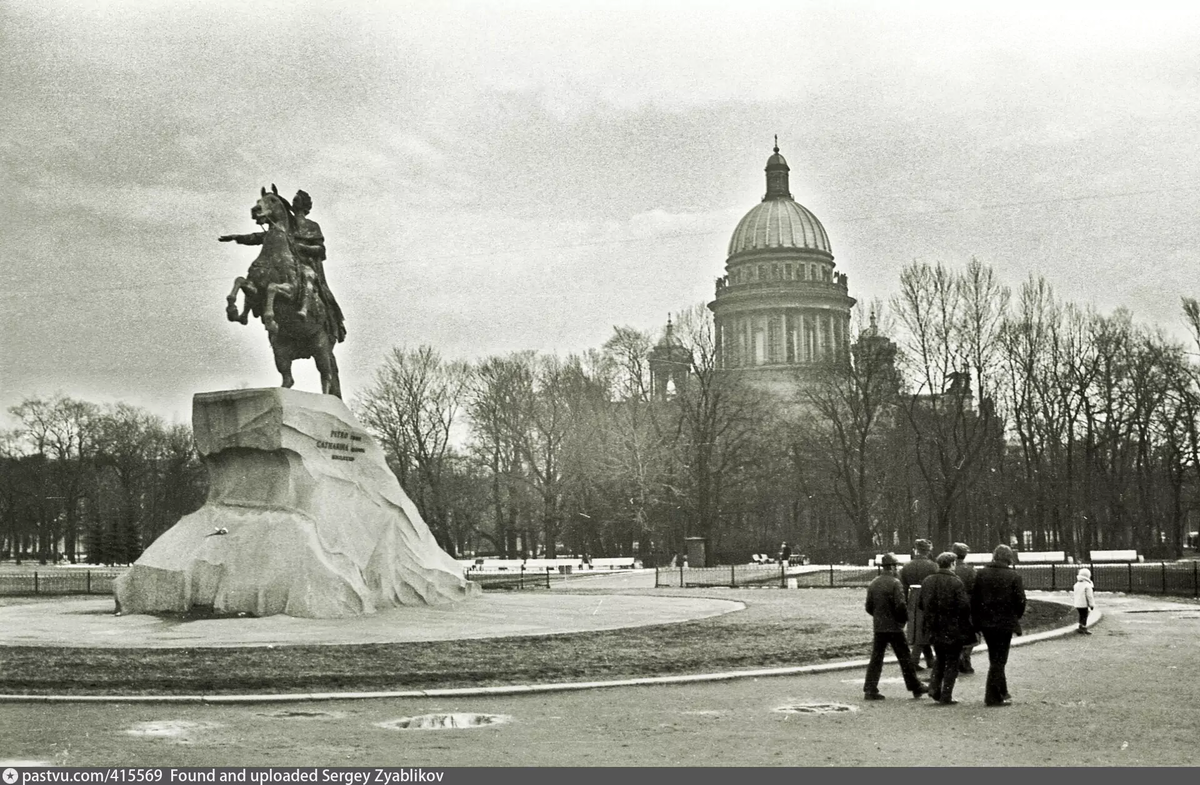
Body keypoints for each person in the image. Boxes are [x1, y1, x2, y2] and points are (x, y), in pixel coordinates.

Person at [863, 553, 929, 701]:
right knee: (905, 657)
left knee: (876, 658)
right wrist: (902, 620)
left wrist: (879, 617)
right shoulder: (895, 583)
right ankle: (914, 686)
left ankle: (870, 688)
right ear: (892, 567)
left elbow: (868, 606)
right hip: (894, 627)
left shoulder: (874, 583)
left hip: (879, 626)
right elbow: (900, 605)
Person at [971, 544, 1026, 707]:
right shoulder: (1014, 576)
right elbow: (1021, 601)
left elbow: (975, 600)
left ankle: (1002, 691)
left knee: (994, 658)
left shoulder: (981, 574)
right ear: (1009, 558)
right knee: (999, 660)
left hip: (986, 623)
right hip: (1005, 622)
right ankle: (992, 696)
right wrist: (1015, 616)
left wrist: (977, 622)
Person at [918, 552, 974, 705]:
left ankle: (934, 687)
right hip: (952, 626)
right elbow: (964, 606)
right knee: (952, 661)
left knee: (940, 659)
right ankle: (946, 694)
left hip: (933, 626)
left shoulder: (928, 580)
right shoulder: (956, 582)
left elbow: (921, 604)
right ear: (952, 564)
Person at [291, 190, 347, 342]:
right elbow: (266, 237)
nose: (293, 203)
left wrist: (302, 247)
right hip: (288, 265)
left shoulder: (312, 226)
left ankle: (332, 323)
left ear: (304, 205)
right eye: (293, 200)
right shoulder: (286, 224)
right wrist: (238, 238)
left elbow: (321, 250)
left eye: (296, 200)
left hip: (306, 264)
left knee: (316, 285)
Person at [899, 538, 937, 671]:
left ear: (916, 550)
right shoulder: (933, 566)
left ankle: (930, 660)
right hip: (928, 598)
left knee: (917, 627)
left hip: (912, 598)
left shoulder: (906, 566)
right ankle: (913, 661)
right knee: (924, 629)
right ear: (928, 551)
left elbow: (902, 587)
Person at [952, 541, 979, 673]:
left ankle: (956, 659)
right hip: (967, 605)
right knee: (970, 634)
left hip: (951, 605)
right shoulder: (970, 570)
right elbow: (976, 589)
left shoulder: (950, 568)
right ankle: (966, 660)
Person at [1073, 567, 1095, 634]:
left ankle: (1080, 626)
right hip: (1084, 604)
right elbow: (1089, 596)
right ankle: (1083, 627)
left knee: (1081, 615)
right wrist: (1091, 605)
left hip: (1077, 604)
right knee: (1085, 615)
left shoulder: (1076, 585)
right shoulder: (1087, 585)